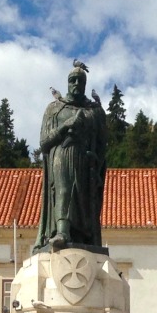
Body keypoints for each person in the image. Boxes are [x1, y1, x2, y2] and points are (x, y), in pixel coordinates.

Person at [35, 60, 108, 253]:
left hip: (86, 160)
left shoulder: (95, 112)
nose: (76, 84)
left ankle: (84, 236)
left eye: (80, 81)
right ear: (68, 83)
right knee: (64, 190)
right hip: (62, 154)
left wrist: (96, 160)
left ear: (85, 84)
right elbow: (43, 142)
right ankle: (62, 233)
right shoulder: (55, 109)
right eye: (72, 80)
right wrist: (65, 127)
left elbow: (102, 144)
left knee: (83, 200)